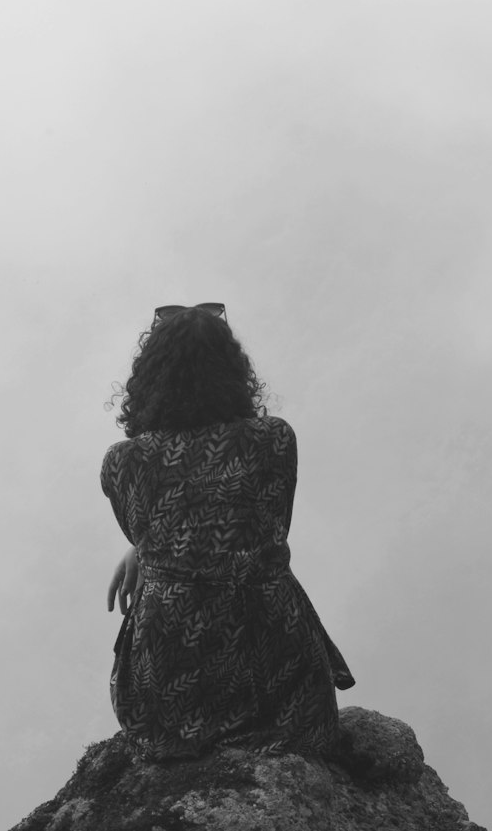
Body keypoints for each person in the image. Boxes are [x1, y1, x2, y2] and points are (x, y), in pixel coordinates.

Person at [101, 302, 354, 760]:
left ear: (148, 378)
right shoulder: (274, 440)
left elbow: (150, 527)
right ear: (233, 372)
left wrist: (144, 550)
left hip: (175, 679)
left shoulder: (125, 460)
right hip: (276, 668)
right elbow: (262, 528)